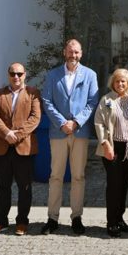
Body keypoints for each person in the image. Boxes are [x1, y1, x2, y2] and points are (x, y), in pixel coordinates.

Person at [40, 39, 99, 235]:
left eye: (76, 52)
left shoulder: (90, 75)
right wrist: (62, 123)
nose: (73, 55)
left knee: (78, 176)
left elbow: (92, 102)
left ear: (81, 54)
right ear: (64, 52)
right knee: (55, 176)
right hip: (58, 132)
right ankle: (52, 218)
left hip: (79, 132)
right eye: (70, 51)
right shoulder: (53, 75)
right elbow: (47, 101)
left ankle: (76, 217)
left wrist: (76, 122)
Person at [0, 63, 41, 236]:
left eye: (19, 73)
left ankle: (22, 222)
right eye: (12, 73)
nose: (16, 77)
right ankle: (0, 221)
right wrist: (6, 133)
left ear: (25, 74)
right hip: (2, 146)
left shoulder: (33, 93)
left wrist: (17, 135)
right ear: (8, 75)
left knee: (25, 187)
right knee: (2, 186)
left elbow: (35, 117)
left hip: (24, 147)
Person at [94, 68, 128, 237]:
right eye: (117, 81)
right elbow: (99, 122)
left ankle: (120, 218)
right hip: (113, 147)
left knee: (124, 185)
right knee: (114, 185)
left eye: (123, 81)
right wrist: (105, 144)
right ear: (112, 83)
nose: (120, 84)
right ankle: (112, 222)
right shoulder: (106, 100)